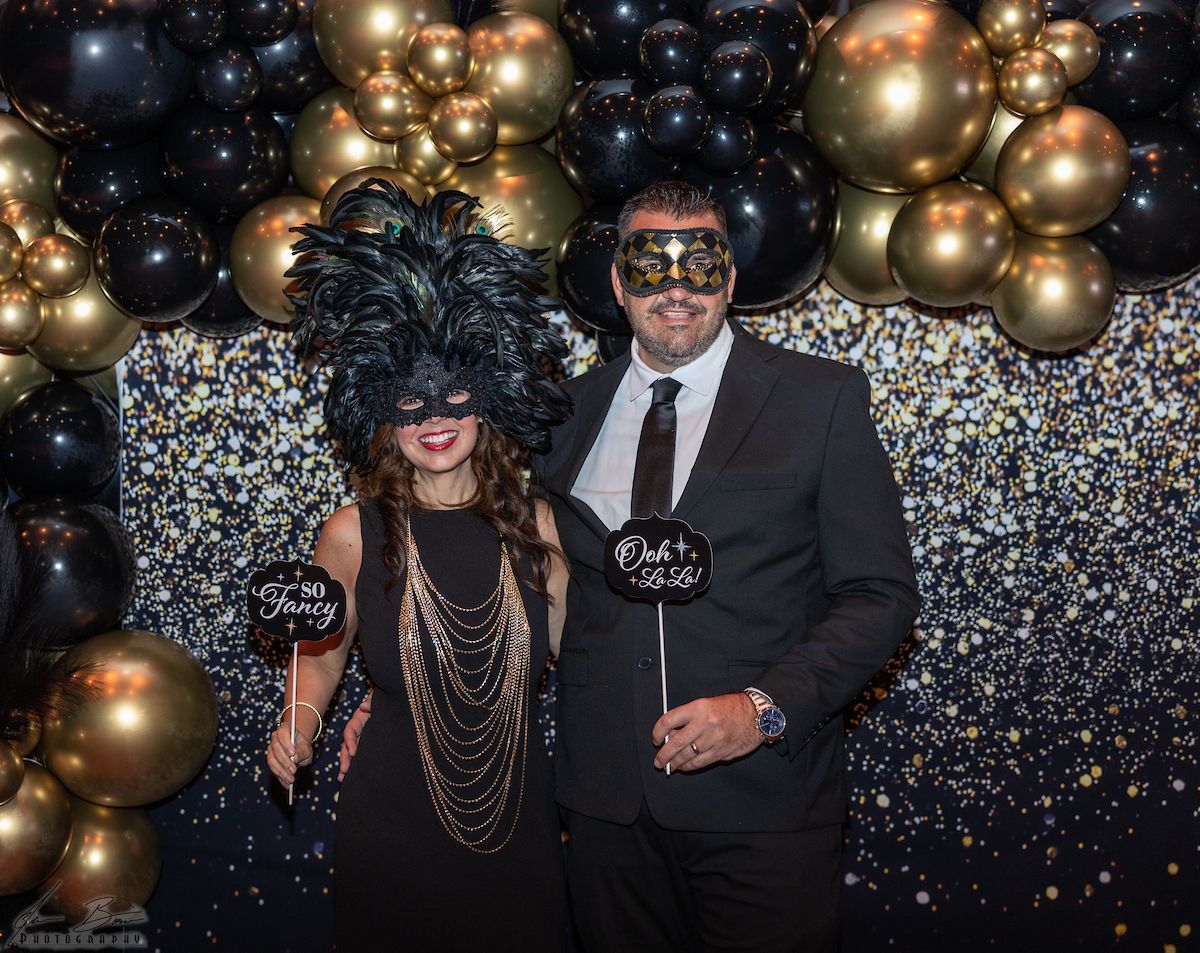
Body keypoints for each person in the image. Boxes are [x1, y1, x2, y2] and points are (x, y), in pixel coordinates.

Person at [342, 180, 920, 951]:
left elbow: (878, 596)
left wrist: (763, 707)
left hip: (761, 807)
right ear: (618, 282)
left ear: (731, 279)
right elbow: (498, 560)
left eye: (701, 263)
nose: (676, 285)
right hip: (606, 811)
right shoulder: (561, 416)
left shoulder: (820, 400)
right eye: (651, 264)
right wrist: (412, 687)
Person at [264, 182, 572, 952]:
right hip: (392, 826)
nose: (434, 418)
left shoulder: (542, 528)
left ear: (489, 394)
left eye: (452, 393)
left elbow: (588, 655)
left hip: (520, 828)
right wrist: (297, 723)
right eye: (410, 399)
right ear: (379, 410)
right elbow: (322, 653)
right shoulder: (352, 533)